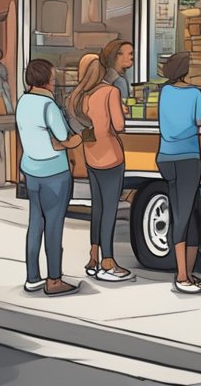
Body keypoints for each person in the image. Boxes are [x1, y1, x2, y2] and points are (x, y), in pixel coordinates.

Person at [15, 58, 83, 296]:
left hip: (30, 170)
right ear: (45, 80)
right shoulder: (48, 105)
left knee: (36, 222)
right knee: (54, 226)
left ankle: (32, 277)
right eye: (53, 78)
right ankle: (54, 280)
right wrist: (76, 140)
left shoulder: (23, 102)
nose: (55, 82)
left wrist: (56, 142)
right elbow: (63, 138)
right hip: (54, 173)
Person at [67, 54, 133, 282]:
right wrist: (122, 111)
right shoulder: (110, 92)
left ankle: (93, 256)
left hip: (91, 156)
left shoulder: (80, 97)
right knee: (110, 210)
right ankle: (108, 261)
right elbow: (119, 125)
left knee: (98, 209)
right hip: (111, 157)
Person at [156, 52, 201, 293]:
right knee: (183, 215)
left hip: (165, 158)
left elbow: (167, 127)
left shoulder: (164, 92)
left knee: (187, 213)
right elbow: (200, 120)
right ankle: (183, 276)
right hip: (188, 159)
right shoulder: (195, 93)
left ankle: (189, 273)